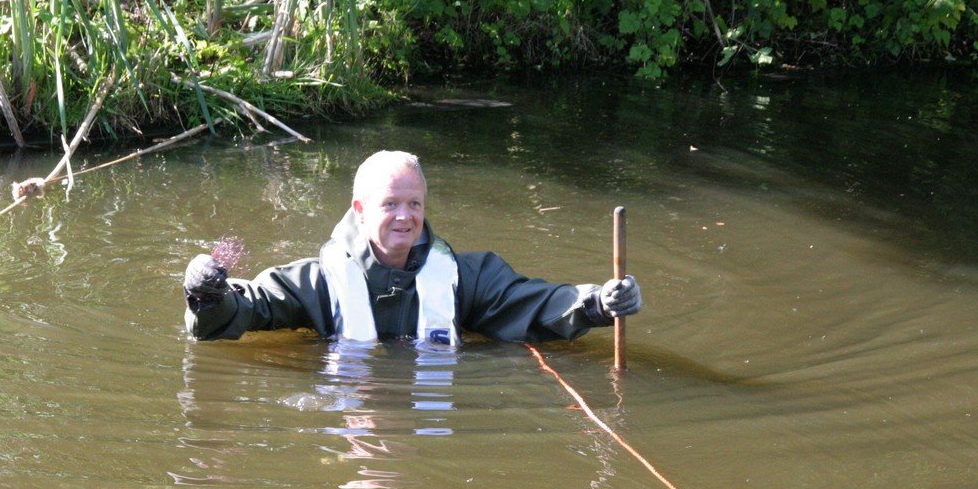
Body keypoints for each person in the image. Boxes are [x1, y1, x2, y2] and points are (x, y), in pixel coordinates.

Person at [183, 150, 641, 344]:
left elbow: (533, 303)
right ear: (359, 210)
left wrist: (598, 303)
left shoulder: (466, 275)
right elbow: (249, 306)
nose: (405, 216)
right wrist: (206, 296)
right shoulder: (318, 280)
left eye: (414, 203)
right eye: (390, 204)